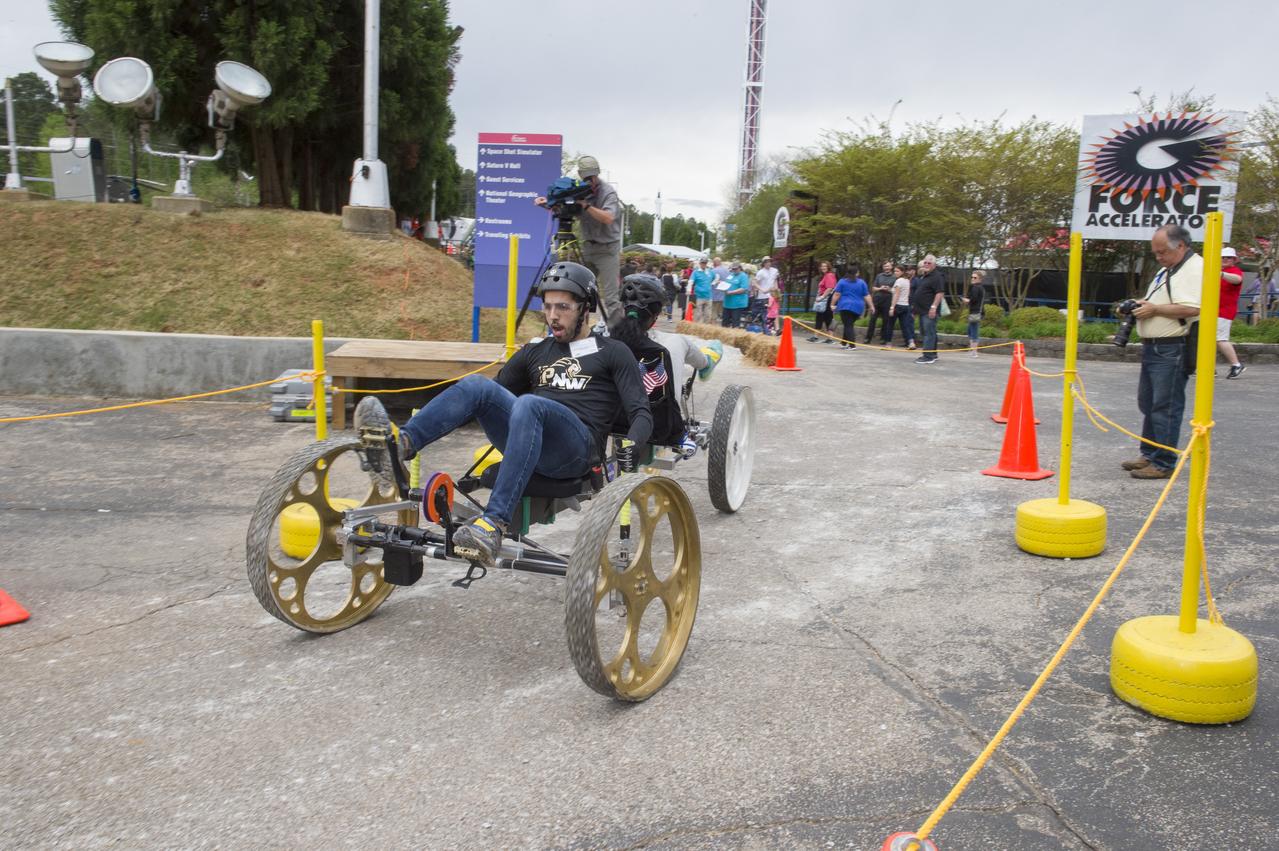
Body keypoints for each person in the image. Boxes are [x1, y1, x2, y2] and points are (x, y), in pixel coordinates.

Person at [353, 261, 652, 566]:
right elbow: (493, 398)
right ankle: (399, 446)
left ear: (586, 307)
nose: (552, 316)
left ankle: (493, 523)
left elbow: (641, 411)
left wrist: (634, 445)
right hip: (532, 435)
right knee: (477, 386)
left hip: (575, 452)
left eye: (563, 307)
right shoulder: (536, 351)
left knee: (529, 404)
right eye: (547, 307)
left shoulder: (613, 352)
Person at [1123, 224, 1202, 480]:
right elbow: (1159, 302)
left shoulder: (1194, 268)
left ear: (1180, 246)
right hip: (1154, 345)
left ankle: (1164, 461)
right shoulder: (1168, 269)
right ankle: (1149, 453)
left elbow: (1193, 308)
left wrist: (1154, 310)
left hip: (1172, 346)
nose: (1158, 257)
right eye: (1155, 253)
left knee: (1165, 406)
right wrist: (1140, 306)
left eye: (1162, 252)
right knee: (1148, 402)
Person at [534, 155, 622, 324]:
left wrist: (586, 205)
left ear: (597, 174)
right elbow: (569, 210)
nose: (590, 181)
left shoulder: (608, 192)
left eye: (592, 177)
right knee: (580, 291)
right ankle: (579, 331)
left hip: (607, 250)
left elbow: (608, 218)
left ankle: (618, 339)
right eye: (586, 177)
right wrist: (549, 203)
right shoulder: (580, 190)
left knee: (611, 299)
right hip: (588, 248)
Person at [1217, 247, 1246, 379]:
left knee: (1221, 339)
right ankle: (1209, 368)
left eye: (1229, 258)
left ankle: (1236, 364)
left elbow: (1237, 279)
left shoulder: (1234, 271)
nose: (1225, 260)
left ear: (1234, 260)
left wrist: (1221, 274)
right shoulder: (1219, 271)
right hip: (1213, 310)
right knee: (1209, 340)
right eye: (1223, 257)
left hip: (1224, 311)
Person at [911, 255, 946, 364]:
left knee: (928, 332)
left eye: (929, 263)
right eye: (925, 263)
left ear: (934, 265)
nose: (926, 265)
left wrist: (933, 307)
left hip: (929, 309)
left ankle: (928, 356)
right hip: (921, 309)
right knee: (927, 332)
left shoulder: (937, 276)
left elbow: (939, 292)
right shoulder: (925, 276)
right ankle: (933, 353)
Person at [831, 264, 873, 349]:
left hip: (845, 306)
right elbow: (866, 295)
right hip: (858, 307)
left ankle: (852, 345)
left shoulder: (842, 282)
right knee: (849, 324)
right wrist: (872, 306)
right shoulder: (862, 282)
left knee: (848, 325)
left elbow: (837, 294)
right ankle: (843, 343)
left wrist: (832, 304)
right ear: (857, 273)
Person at [865, 260, 896, 344]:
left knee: (886, 320)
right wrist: (880, 288)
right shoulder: (879, 276)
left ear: (891, 267)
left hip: (888, 300)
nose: (887, 268)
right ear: (883, 267)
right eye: (885, 266)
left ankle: (883, 338)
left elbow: (896, 290)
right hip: (877, 299)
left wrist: (889, 289)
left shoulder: (894, 277)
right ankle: (868, 338)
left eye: (888, 266)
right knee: (872, 319)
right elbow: (873, 288)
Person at [808, 261, 838, 343]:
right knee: (821, 317)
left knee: (827, 318)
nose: (823, 268)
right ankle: (819, 337)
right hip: (824, 299)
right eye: (822, 266)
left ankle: (829, 338)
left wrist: (822, 297)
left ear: (829, 267)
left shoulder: (829, 275)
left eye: (825, 266)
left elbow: (830, 288)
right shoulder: (826, 275)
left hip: (826, 299)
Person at [886, 264, 915, 349]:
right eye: (894, 271)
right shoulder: (907, 281)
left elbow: (897, 295)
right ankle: (911, 342)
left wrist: (892, 307)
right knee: (905, 326)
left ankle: (888, 343)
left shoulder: (898, 281)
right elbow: (907, 293)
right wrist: (891, 290)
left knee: (890, 325)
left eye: (897, 271)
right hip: (905, 305)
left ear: (902, 272)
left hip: (897, 305)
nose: (895, 273)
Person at [962, 270, 986, 358]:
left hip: (975, 312)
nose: (972, 279)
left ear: (980, 279)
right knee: (971, 330)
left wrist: (967, 300)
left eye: (975, 277)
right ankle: (972, 350)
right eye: (972, 277)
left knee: (973, 331)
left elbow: (974, 299)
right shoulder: (981, 288)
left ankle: (974, 351)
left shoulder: (976, 287)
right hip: (977, 311)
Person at [754, 257, 781, 329]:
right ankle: (768, 329)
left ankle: (777, 329)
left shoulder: (775, 270)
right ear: (763, 263)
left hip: (773, 295)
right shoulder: (760, 272)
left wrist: (777, 290)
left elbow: (775, 280)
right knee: (767, 313)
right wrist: (762, 289)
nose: (768, 263)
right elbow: (755, 283)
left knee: (775, 311)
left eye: (769, 261)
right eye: (766, 262)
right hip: (764, 296)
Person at [722, 261, 751, 328]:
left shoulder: (743, 276)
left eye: (736, 269)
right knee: (724, 322)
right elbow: (726, 284)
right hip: (727, 302)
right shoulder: (730, 275)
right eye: (733, 269)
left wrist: (731, 292)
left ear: (740, 268)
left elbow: (743, 289)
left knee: (735, 323)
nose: (734, 270)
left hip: (737, 303)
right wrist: (720, 284)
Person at [690, 257, 716, 323]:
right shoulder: (695, 272)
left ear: (706, 263)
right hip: (699, 296)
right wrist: (688, 289)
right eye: (702, 263)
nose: (704, 264)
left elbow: (716, 277)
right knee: (698, 314)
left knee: (708, 314)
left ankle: (705, 326)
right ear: (700, 263)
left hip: (708, 296)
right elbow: (691, 281)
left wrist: (713, 283)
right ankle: (697, 326)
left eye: (705, 263)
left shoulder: (710, 272)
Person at [710, 256, 731, 324]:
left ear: (715, 263)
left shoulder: (713, 271)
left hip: (714, 295)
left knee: (714, 312)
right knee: (723, 312)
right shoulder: (727, 271)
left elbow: (710, 282)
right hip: (724, 294)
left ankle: (713, 326)